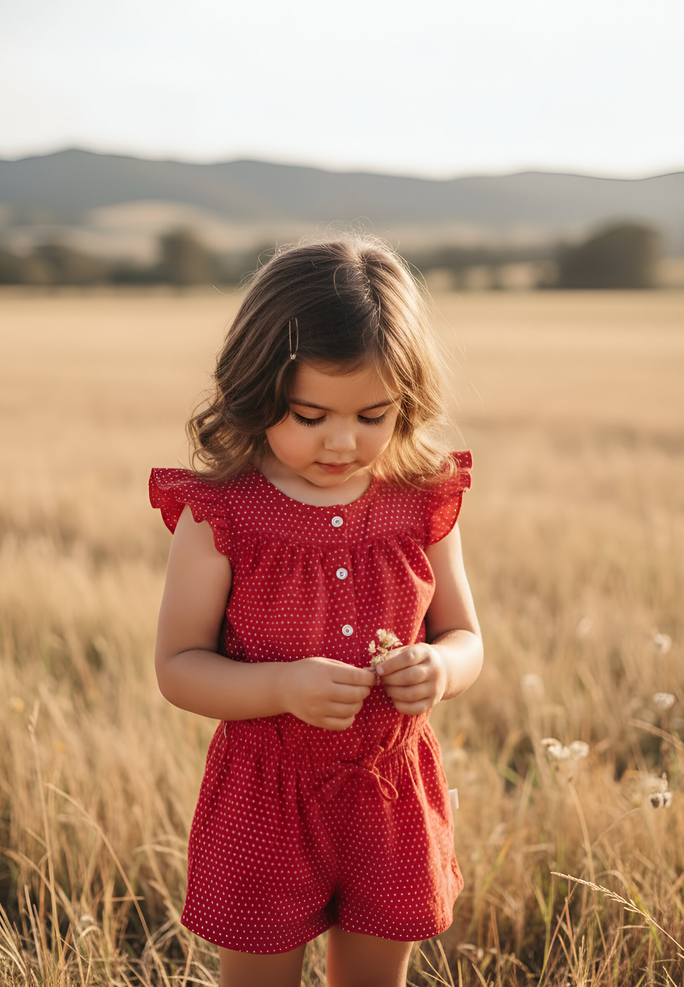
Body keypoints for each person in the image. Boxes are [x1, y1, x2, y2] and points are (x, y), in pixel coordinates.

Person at [150, 236, 483, 987]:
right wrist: (279, 687)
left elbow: (466, 634)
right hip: (263, 804)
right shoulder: (223, 515)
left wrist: (441, 667)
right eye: (308, 415)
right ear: (256, 390)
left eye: (374, 415)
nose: (342, 441)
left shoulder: (423, 501)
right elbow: (178, 667)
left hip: (390, 792)